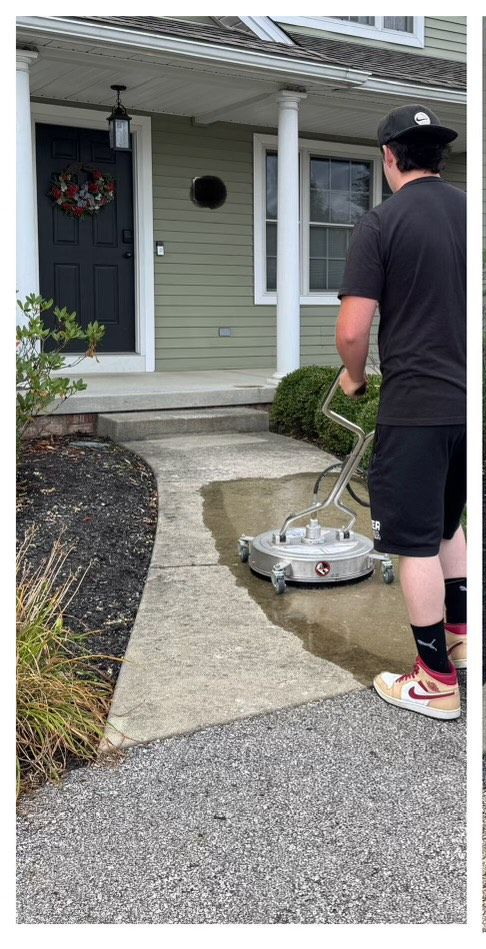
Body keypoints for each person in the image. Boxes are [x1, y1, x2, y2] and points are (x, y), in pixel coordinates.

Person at [336, 103, 466, 720]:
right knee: (447, 525)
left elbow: (353, 330)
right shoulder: (470, 211)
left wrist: (355, 377)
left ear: (389, 158)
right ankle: (461, 643)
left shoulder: (381, 224)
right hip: (469, 404)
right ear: (438, 157)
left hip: (416, 406)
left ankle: (435, 680)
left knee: (414, 541)